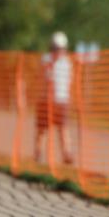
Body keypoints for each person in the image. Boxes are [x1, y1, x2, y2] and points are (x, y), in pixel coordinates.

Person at [35, 31, 74, 165]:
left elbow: (69, 81)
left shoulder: (67, 63)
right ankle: (38, 153)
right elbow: (42, 78)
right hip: (45, 100)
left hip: (61, 101)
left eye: (60, 48)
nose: (58, 51)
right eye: (56, 48)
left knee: (63, 128)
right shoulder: (46, 60)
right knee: (42, 129)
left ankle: (67, 154)